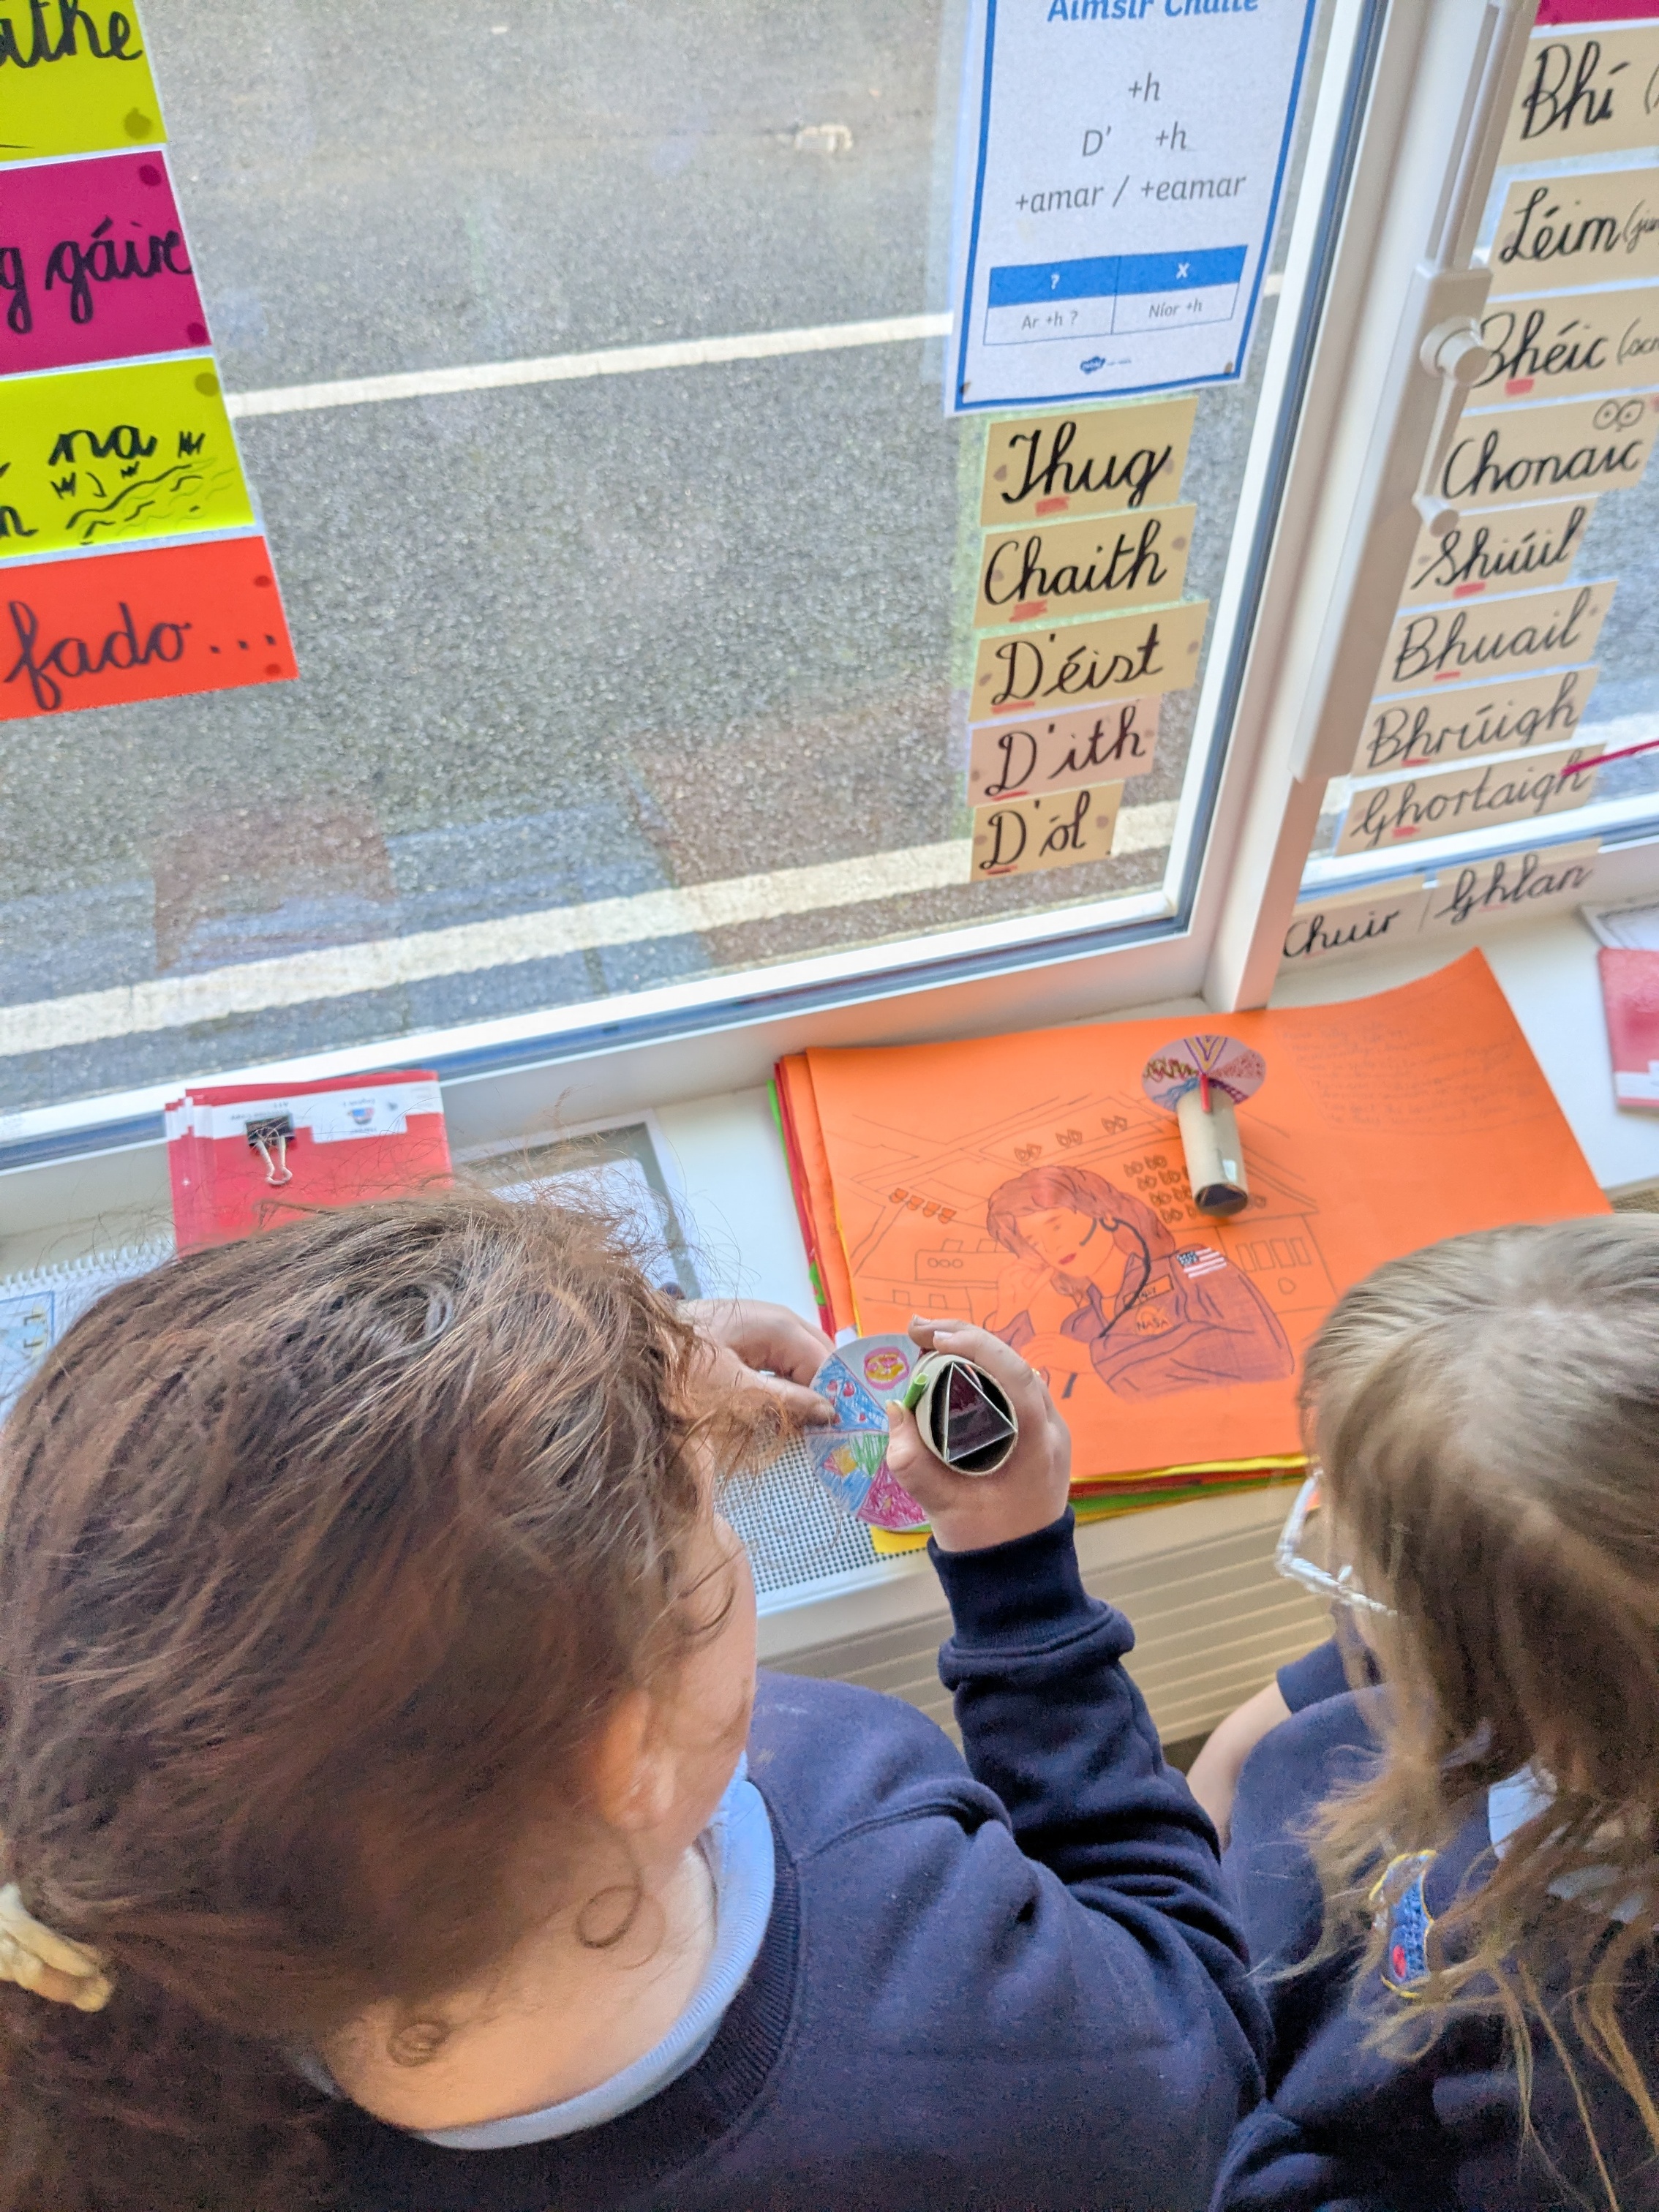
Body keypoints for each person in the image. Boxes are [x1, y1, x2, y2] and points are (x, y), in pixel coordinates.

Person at [0, 1191, 1265, 2212]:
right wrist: (1020, 1586)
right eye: (705, 1506)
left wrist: (615, 1386)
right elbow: (1199, 2011)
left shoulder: (164, 1973)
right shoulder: (1013, 2052)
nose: (716, 1483)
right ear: (627, 1755)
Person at [1189, 1219, 1659, 2212]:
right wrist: (1227, 1770)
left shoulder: (1585, 2111)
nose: (1328, 1536)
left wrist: (1202, 2106)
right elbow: (1247, 1750)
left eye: (1357, 1552)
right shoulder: (1579, 1641)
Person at [984, 1163, 1293, 1399]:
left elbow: (1262, 1351)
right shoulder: (1078, 1328)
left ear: (1104, 1214)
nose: (1050, 1247)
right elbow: (1030, 1403)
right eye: (1034, 1242)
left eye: (1056, 1226)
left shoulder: (1192, 1264)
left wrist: (1097, 1358)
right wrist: (1007, 1320)